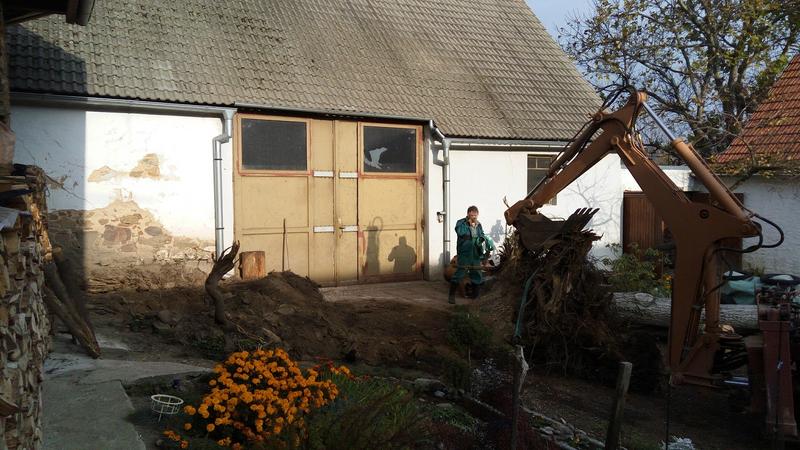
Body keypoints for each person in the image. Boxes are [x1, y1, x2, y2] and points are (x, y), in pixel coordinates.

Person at [449, 206, 494, 304]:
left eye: (475, 215)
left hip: (475, 252)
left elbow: (481, 234)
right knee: (460, 272)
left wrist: (483, 239)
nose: (474, 217)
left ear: (477, 215)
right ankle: (451, 296)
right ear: (468, 214)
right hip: (465, 252)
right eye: (472, 215)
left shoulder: (479, 224)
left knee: (476, 273)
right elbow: (460, 232)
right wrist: (469, 225)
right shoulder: (461, 223)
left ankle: (475, 297)